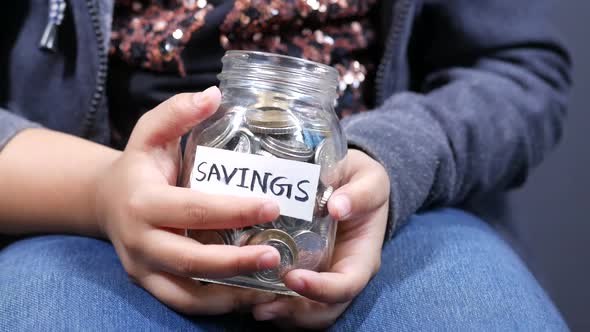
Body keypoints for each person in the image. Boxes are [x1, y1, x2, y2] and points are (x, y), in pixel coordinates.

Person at [0, 0, 571, 330]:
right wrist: (100, 190)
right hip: (84, 204)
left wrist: (387, 159)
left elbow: (517, 72)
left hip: (388, 208)